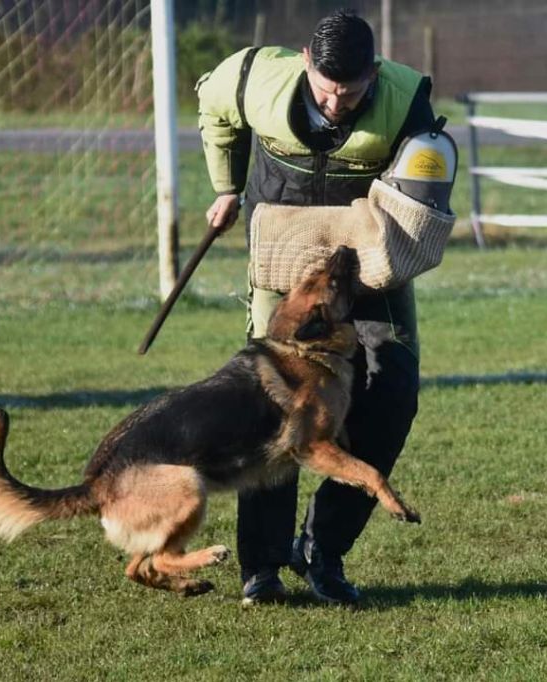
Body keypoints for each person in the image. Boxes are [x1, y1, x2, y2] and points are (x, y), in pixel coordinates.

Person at [195, 9, 435, 605]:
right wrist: (226, 184)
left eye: (350, 94)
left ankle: (323, 551)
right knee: (272, 408)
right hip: (285, 274)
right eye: (327, 91)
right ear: (306, 61)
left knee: (393, 393)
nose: (335, 105)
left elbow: (431, 169)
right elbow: (213, 104)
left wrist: (421, 215)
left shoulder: (406, 99)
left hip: (369, 272)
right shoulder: (256, 77)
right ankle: (262, 567)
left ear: (373, 75)